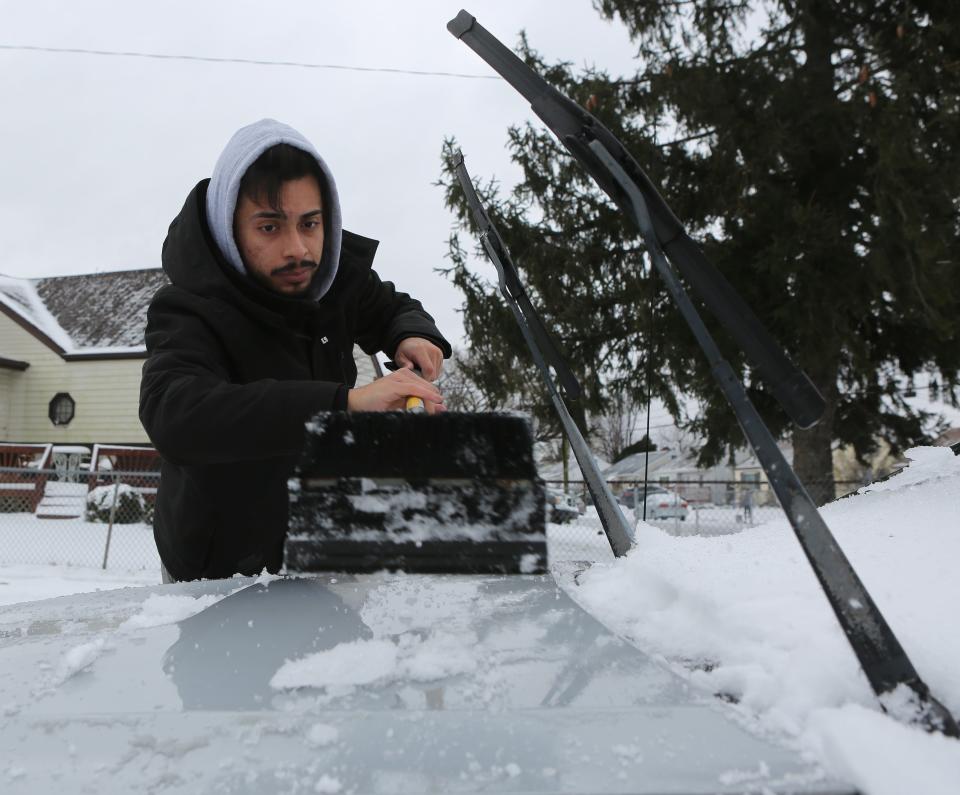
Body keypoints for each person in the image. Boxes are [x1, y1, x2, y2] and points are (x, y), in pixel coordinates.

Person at [140, 119, 451, 582]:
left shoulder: (336, 282)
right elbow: (175, 415)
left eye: (311, 224)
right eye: (270, 226)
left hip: (321, 547)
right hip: (219, 572)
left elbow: (391, 307)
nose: (298, 249)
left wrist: (411, 335)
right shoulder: (189, 309)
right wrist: (340, 405)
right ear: (230, 226)